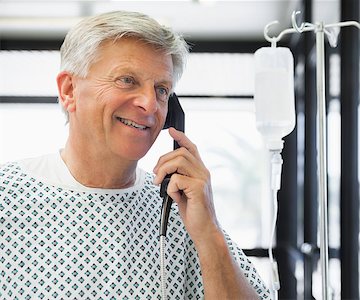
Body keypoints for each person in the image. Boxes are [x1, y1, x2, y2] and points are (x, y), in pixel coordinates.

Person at [0, 11, 269, 299]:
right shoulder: (8, 195)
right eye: (127, 80)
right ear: (69, 91)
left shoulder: (181, 211)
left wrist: (210, 235)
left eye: (162, 89)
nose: (150, 104)